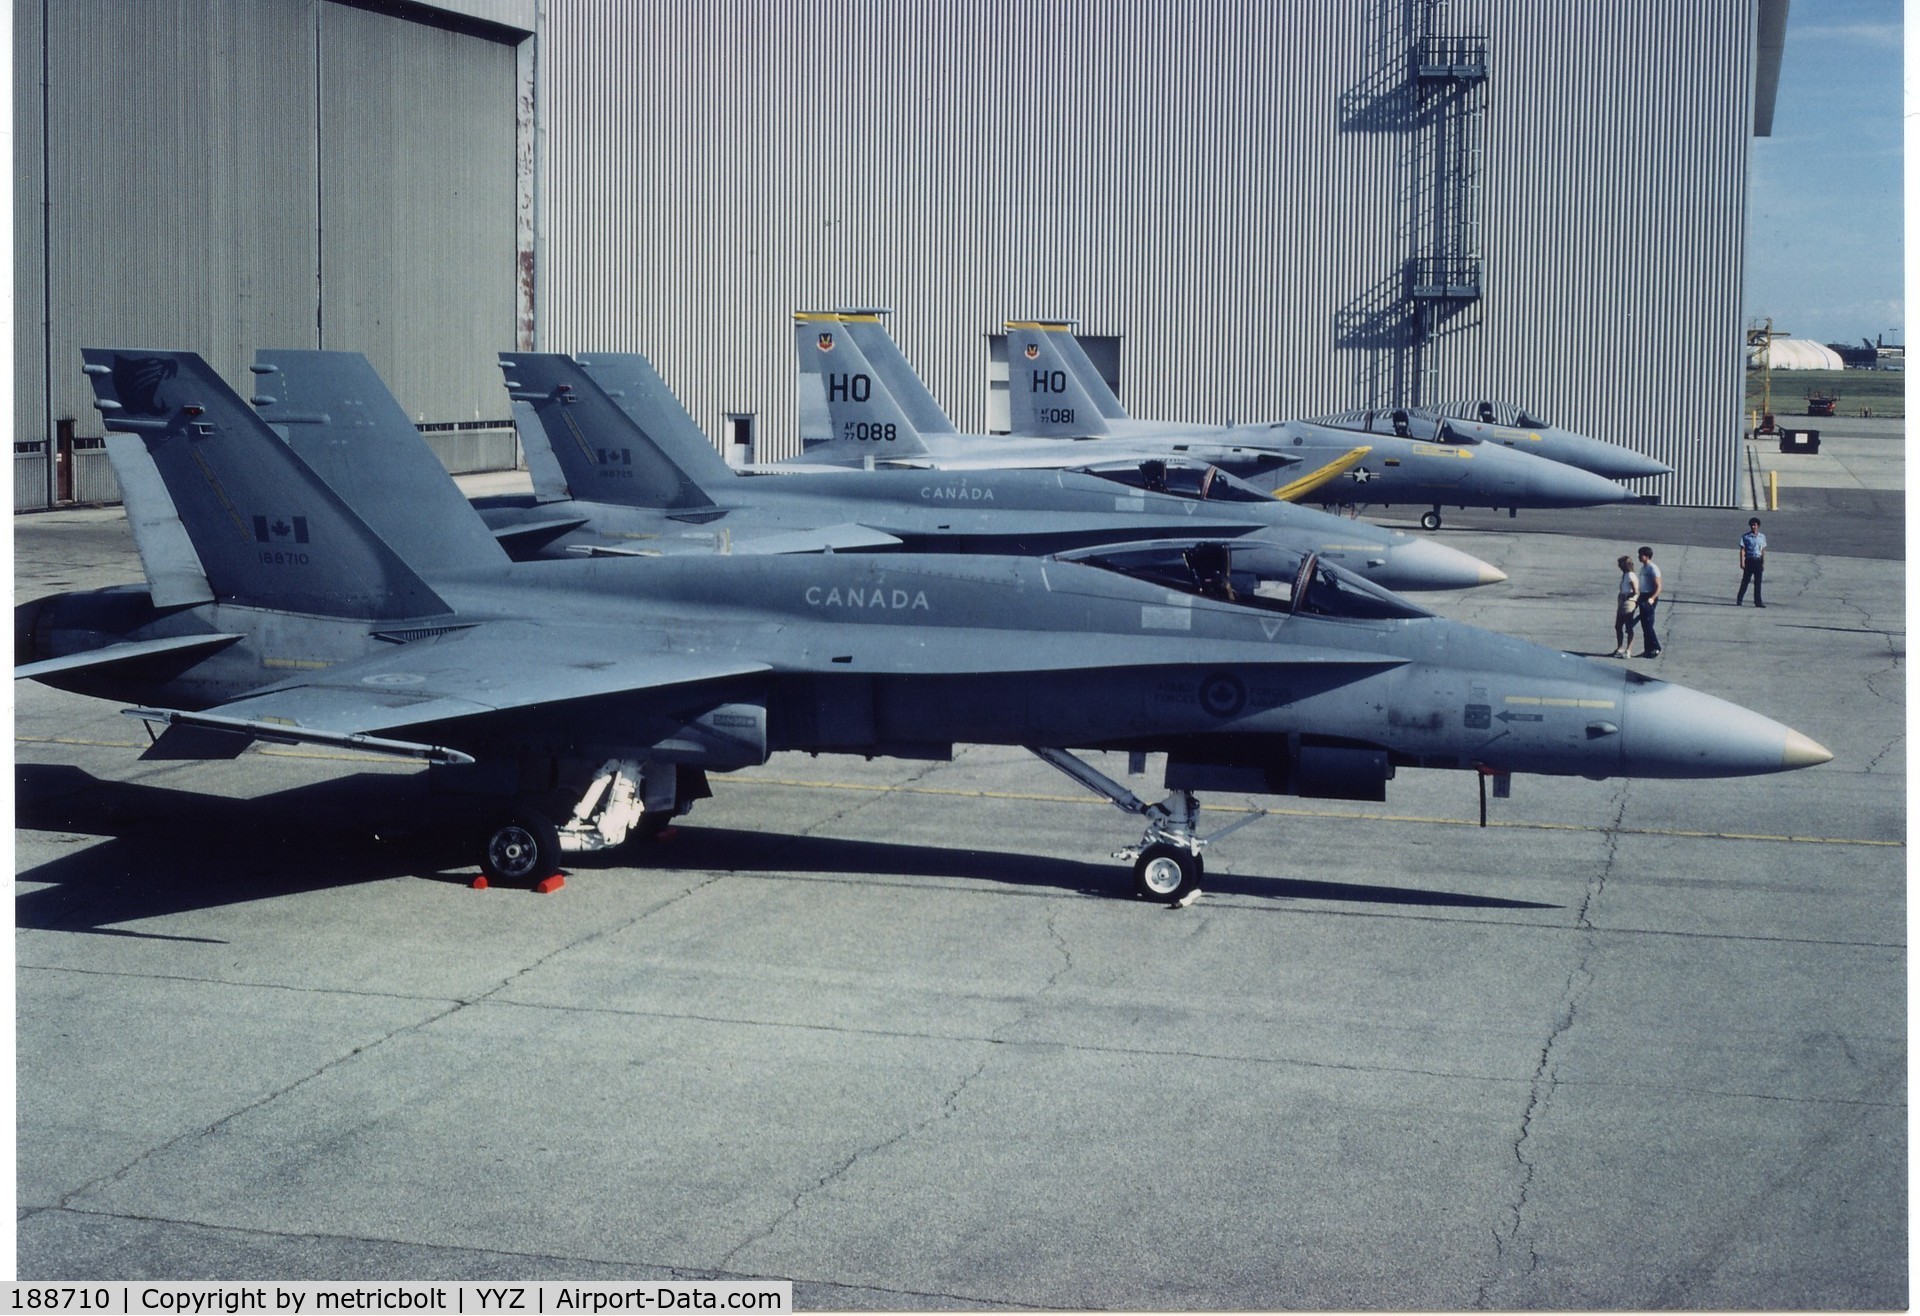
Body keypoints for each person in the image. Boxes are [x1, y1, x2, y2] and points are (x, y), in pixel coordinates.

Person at [1636, 545, 1662, 657]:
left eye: (1640, 555)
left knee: (1648, 623)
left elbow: (1659, 586)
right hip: (1643, 595)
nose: (1639, 557)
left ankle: (1656, 647)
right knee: (1644, 624)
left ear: (1646, 556)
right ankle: (1647, 649)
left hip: (1650, 596)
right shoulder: (1643, 568)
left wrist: (1652, 598)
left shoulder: (1653, 568)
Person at [1611, 554, 1639, 657]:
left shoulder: (1630, 575)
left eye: (1621, 564)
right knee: (1618, 626)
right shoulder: (1625, 575)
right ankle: (1619, 647)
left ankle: (1628, 649)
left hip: (1628, 603)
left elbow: (1635, 590)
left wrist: (1627, 597)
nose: (1619, 566)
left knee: (1628, 626)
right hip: (1622, 602)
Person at [1737, 517, 1767, 607]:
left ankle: (1758, 602)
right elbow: (1742, 550)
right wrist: (1742, 562)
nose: (1754, 527)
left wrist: (1763, 563)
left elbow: (1762, 551)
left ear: (1758, 526)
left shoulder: (1762, 537)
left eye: (1755, 525)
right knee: (1745, 581)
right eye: (1752, 525)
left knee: (1758, 583)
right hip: (1749, 560)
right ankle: (1739, 599)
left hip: (1757, 560)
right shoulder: (1746, 537)